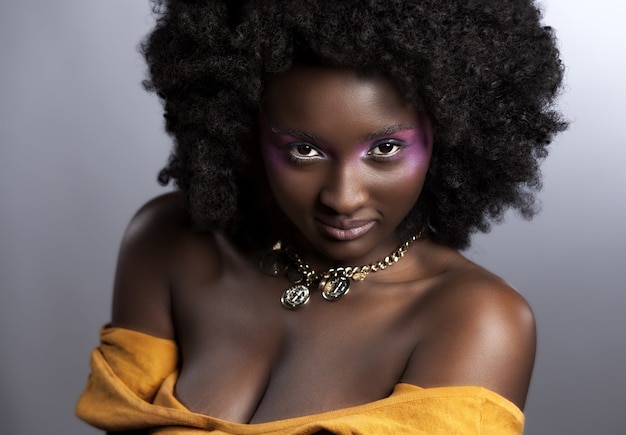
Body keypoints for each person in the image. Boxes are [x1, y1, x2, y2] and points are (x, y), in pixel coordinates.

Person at [76, 0, 567, 433]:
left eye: (386, 148)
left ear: (451, 130)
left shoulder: (477, 321)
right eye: (304, 150)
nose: (343, 197)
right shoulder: (168, 242)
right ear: (243, 125)